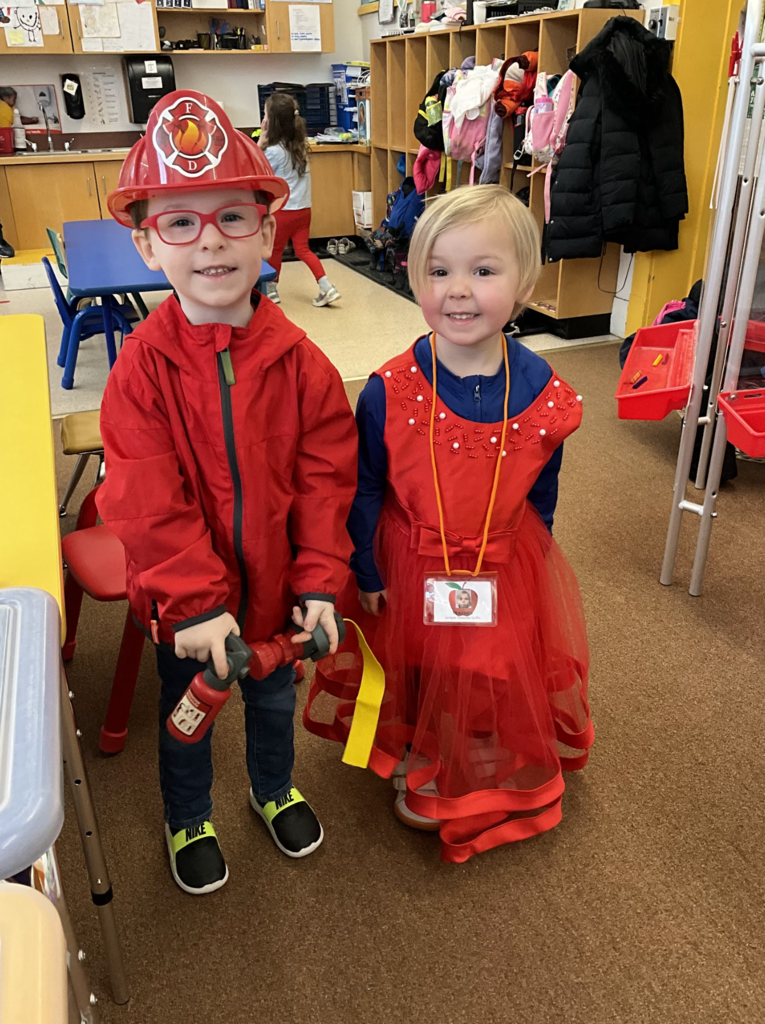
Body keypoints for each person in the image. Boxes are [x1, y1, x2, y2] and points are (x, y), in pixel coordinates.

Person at [96, 91, 357, 895]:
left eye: (231, 219)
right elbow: (144, 500)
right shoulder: (140, 369)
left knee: (275, 705)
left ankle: (272, 786)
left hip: (280, 592)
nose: (208, 241)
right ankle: (188, 814)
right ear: (147, 244)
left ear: (267, 228)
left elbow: (326, 480)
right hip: (189, 612)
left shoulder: (301, 361)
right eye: (180, 224)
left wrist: (318, 583)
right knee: (188, 717)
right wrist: (198, 604)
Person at [304, 185, 594, 863]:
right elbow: (365, 484)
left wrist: (533, 563)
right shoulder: (388, 388)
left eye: (483, 271)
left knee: (493, 655)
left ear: (524, 284)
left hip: (501, 558)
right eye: (439, 271)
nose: (457, 290)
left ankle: (475, 739)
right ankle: (419, 741)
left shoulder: (545, 392)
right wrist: (367, 570)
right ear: (414, 278)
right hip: (409, 554)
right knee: (420, 657)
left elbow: (539, 487)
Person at [259, 92, 340, 307]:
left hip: (282, 211)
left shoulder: (273, 152)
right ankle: (326, 287)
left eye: (265, 115)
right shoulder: (301, 147)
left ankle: (272, 290)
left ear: (271, 122)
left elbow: (256, 169)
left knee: (275, 251)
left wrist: (260, 142)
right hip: (303, 210)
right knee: (303, 249)